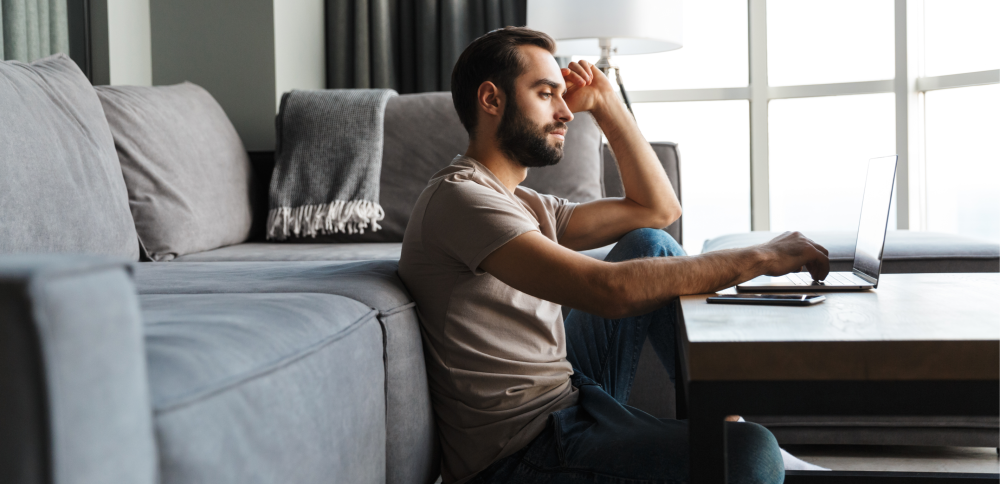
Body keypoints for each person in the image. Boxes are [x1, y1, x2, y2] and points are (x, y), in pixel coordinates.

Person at [397, 26, 830, 484]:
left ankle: (723, 431)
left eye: (563, 96)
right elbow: (608, 291)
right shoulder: (460, 198)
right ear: (491, 99)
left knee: (651, 244)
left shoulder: (523, 202)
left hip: (568, 398)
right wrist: (761, 256)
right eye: (546, 94)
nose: (566, 112)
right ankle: (739, 455)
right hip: (520, 452)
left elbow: (658, 210)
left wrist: (607, 103)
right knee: (753, 454)